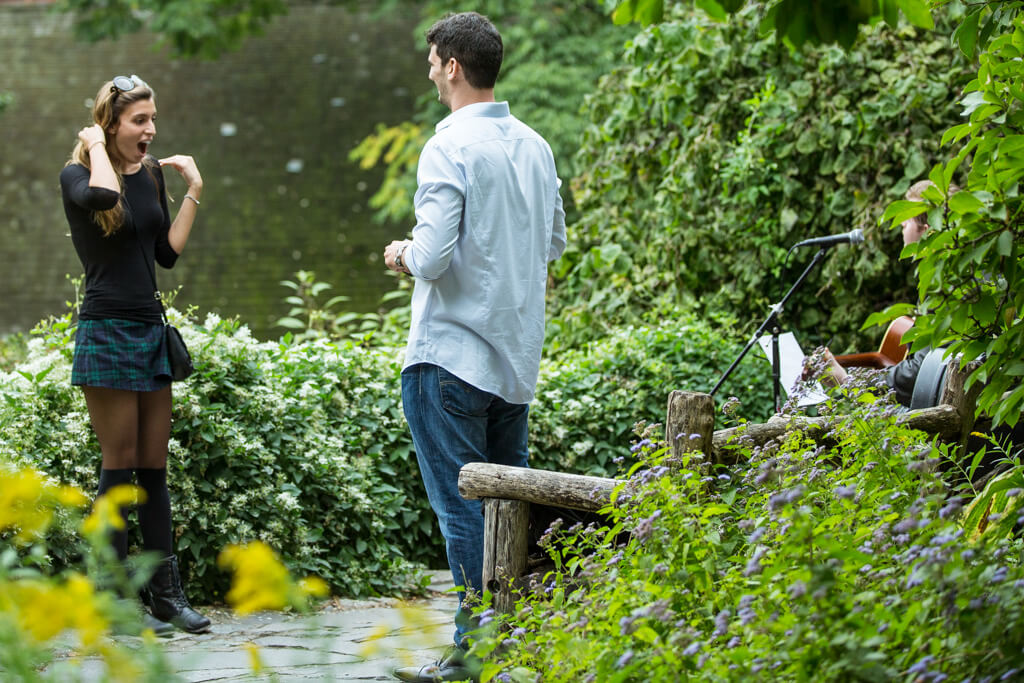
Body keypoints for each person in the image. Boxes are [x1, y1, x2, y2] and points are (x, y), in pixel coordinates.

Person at [384, 12, 566, 682]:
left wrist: (399, 252)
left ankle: (472, 652)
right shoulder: (537, 147)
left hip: (449, 356)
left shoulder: (449, 145)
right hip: (514, 364)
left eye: (433, 61)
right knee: (504, 515)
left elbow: (430, 258)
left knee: (464, 512)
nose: (430, 72)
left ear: (453, 66)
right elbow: (554, 245)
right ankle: (508, 642)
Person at [59, 74, 210, 635]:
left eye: (153, 119)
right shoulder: (78, 174)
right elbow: (101, 197)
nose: (151, 130)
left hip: (149, 326)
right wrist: (97, 147)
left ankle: (165, 596)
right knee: (118, 466)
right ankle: (117, 598)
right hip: (104, 326)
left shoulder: (150, 177)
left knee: (154, 468)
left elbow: (166, 256)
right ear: (111, 124)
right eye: (139, 121)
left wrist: (193, 189)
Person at [821, 180, 952, 406]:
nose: (901, 225)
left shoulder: (943, 286)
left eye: (907, 220)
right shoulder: (962, 278)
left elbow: (919, 376)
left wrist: (847, 381)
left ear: (927, 231)